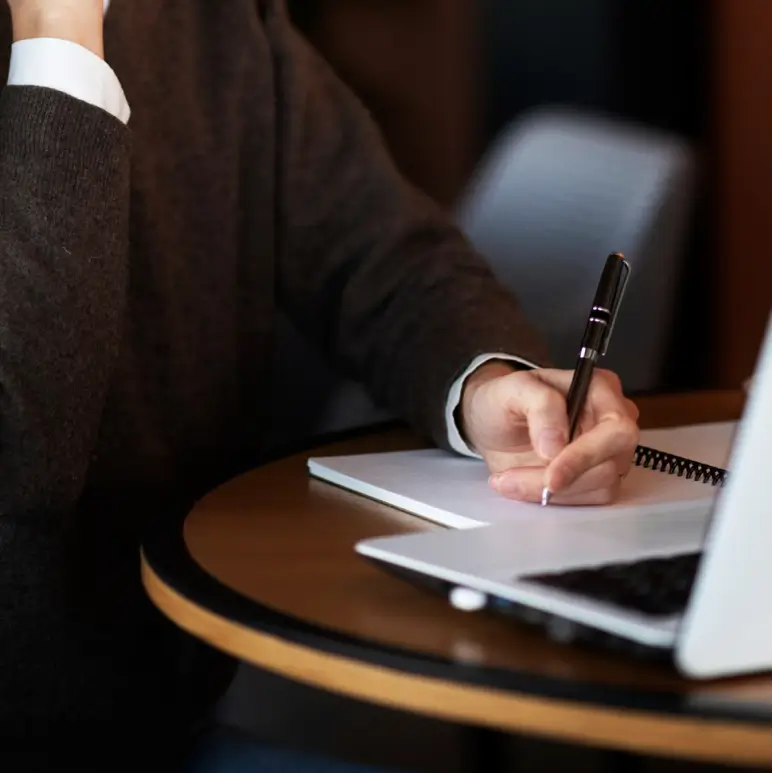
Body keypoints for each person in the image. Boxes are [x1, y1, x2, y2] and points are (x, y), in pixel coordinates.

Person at [0, 0, 639, 770]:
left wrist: (485, 387)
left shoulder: (211, 22)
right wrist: (58, 39)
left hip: (167, 711)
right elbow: (20, 459)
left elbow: (383, 255)